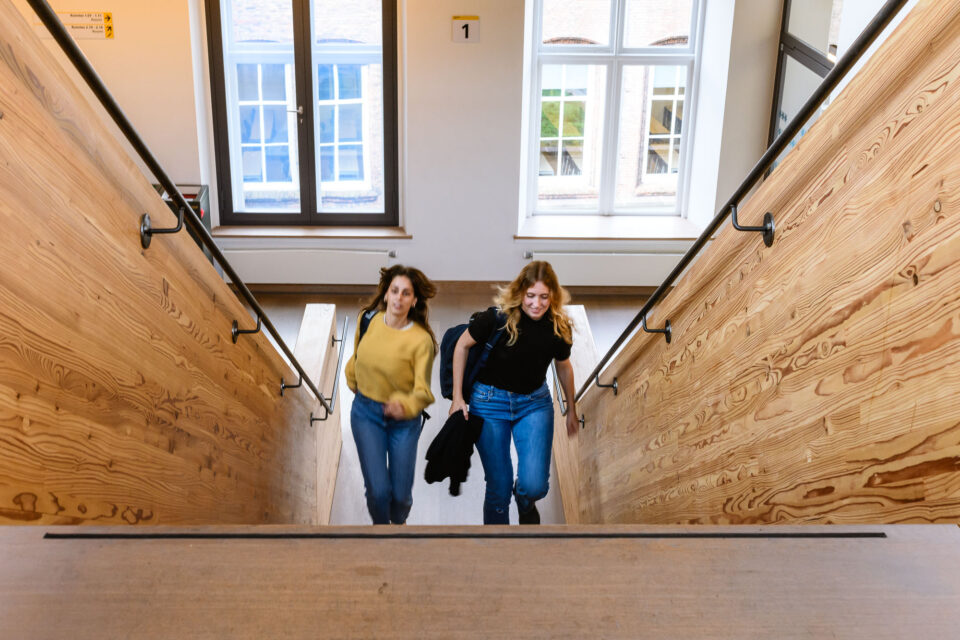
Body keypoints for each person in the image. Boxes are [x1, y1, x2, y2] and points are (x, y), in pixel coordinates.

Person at [449, 261, 578, 525]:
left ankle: (523, 499)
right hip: (489, 403)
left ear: (553, 295)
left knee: (535, 486)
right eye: (530, 296)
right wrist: (457, 398)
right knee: (498, 486)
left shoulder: (559, 328)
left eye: (544, 296)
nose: (536, 304)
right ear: (520, 293)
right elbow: (461, 346)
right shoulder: (496, 319)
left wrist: (571, 409)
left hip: (534, 404)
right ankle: (498, 551)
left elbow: (563, 367)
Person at [345, 265, 438, 524]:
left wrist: (405, 406)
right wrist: (352, 379)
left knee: (400, 497)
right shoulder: (367, 319)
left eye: (406, 293)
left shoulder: (421, 341)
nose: (399, 298)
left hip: (404, 422)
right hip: (366, 413)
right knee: (378, 492)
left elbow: (422, 391)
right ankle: (381, 532)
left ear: (414, 300)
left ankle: (398, 526)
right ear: (386, 294)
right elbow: (356, 356)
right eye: (394, 291)